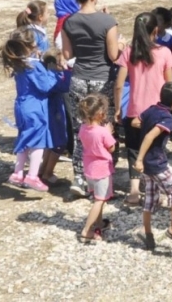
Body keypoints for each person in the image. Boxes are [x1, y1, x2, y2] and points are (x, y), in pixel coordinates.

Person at [61, 0, 122, 197]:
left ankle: (80, 177)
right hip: (102, 78)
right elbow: (114, 55)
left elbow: (68, 55)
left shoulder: (68, 22)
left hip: (78, 78)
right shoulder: (108, 22)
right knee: (105, 127)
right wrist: (122, 43)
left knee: (82, 130)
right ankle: (105, 175)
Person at [114, 12, 172, 206]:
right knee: (156, 150)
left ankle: (133, 191)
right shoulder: (164, 52)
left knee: (132, 150)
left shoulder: (129, 52)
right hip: (157, 111)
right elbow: (170, 83)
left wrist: (117, 108)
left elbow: (118, 84)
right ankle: (155, 189)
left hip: (134, 109)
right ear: (156, 30)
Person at [1, 31, 68, 192]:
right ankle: (32, 176)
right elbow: (45, 86)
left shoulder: (19, 63)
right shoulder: (34, 65)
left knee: (24, 138)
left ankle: (17, 173)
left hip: (21, 106)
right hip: (35, 108)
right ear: (30, 47)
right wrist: (59, 74)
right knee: (38, 141)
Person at [135, 83, 172, 250]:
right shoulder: (167, 118)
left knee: (151, 197)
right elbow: (150, 137)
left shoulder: (152, 109)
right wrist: (139, 159)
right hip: (155, 162)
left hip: (146, 164)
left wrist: (147, 126)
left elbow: (136, 122)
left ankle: (148, 234)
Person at [77, 93, 117, 243]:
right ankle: (87, 229)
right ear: (100, 114)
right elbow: (111, 148)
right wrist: (109, 132)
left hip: (89, 168)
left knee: (97, 197)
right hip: (102, 170)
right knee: (100, 200)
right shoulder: (102, 132)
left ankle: (99, 224)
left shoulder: (82, 128)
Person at [39, 49, 71, 184]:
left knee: (51, 143)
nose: (65, 64)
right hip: (54, 113)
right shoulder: (52, 77)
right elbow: (65, 86)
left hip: (53, 111)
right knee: (59, 142)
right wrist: (68, 71)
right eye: (62, 61)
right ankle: (48, 172)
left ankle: (42, 170)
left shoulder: (46, 74)